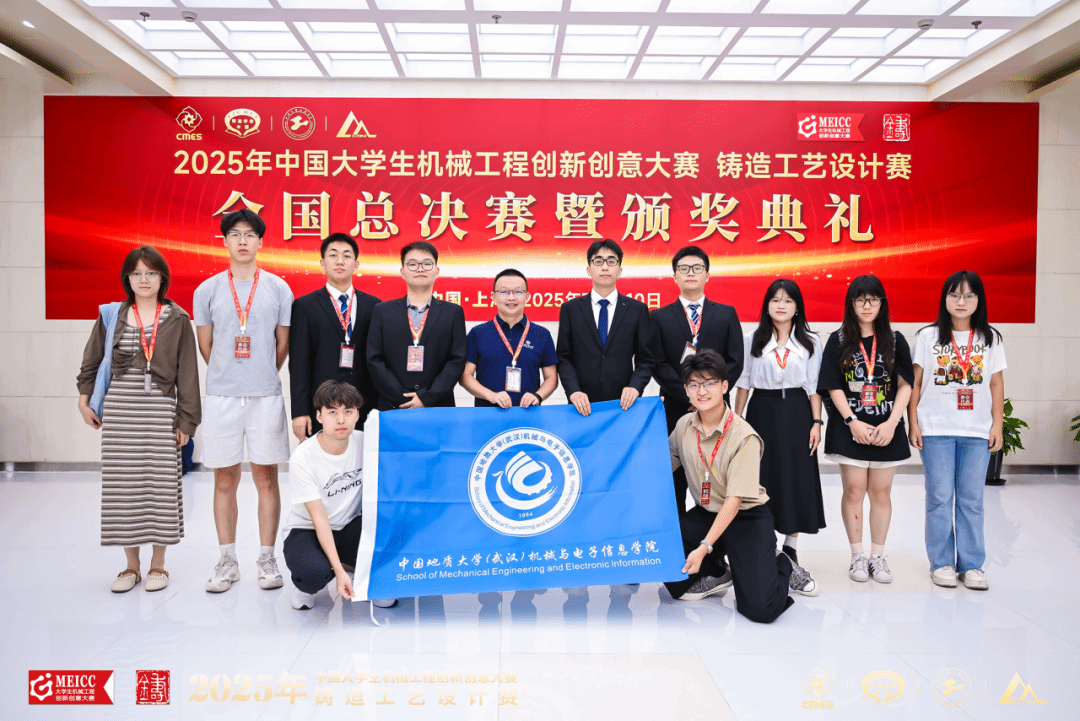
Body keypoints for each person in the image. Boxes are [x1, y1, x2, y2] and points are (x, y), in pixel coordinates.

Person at [77, 246, 201, 593]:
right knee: (124, 488)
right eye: (136, 274)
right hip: (120, 415)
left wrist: (186, 422)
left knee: (160, 487)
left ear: (162, 278)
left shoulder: (177, 318)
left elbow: (188, 374)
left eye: (151, 273)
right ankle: (130, 566)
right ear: (127, 279)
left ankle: (158, 565)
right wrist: (84, 401)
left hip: (160, 414)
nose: (144, 280)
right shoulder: (111, 315)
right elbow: (91, 362)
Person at [665, 350, 816, 623]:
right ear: (685, 390)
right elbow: (662, 467)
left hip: (746, 515)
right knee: (666, 558)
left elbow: (734, 502)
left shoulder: (744, 436)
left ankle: (782, 563)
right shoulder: (684, 425)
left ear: (725, 386)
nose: (702, 391)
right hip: (707, 512)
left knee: (761, 609)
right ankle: (718, 572)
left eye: (709, 383)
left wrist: (703, 547)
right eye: (694, 384)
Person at [193, 208, 293, 594]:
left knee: (267, 477)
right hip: (222, 397)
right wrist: (230, 374)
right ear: (225, 241)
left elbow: (281, 345)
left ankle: (267, 559)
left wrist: (259, 372)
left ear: (261, 241)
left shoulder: (279, 289)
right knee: (224, 480)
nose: (243, 241)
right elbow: (206, 345)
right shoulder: (207, 290)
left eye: (250, 234)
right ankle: (227, 560)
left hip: (265, 395)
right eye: (235, 234)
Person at [909, 271, 1006, 591]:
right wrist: (913, 422)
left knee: (972, 499)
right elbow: (915, 383)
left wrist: (997, 425)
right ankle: (941, 563)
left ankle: (972, 564)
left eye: (968, 295)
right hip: (935, 429)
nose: (961, 301)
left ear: (979, 300)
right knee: (939, 497)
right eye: (954, 295)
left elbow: (996, 383)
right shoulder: (927, 336)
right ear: (945, 299)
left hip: (976, 431)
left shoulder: (990, 338)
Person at [818, 275, 913, 585]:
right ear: (851, 304)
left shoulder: (895, 340)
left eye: (873, 299)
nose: (867, 305)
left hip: (888, 428)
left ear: (882, 303)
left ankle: (878, 556)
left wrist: (893, 422)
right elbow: (832, 384)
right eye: (860, 299)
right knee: (854, 490)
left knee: (881, 492)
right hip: (851, 429)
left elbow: (906, 384)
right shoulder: (838, 340)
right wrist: (851, 421)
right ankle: (857, 555)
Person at [733, 279, 825, 591]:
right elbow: (744, 381)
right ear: (767, 306)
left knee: (795, 476)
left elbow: (814, 385)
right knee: (764, 476)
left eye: (787, 300)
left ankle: (791, 546)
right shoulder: (752, 339)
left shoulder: (810, 341)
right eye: (775, 300)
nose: (781, 305)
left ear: (797, 307)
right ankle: (766, 542)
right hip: (763, 409)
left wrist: (816, 422)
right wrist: (737, 421)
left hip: (798, 412)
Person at [282, 381, 396, 610]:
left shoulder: (365, 442)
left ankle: (364, 578)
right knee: (313, 572)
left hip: (349, 525)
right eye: (332, 412)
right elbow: (319, 518)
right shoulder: (303, 457)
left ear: (358, 415)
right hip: (308, 529)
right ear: (319, 416)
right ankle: (315, 581)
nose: (341, 420)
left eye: (348, 412)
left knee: (392, 531)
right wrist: (339, 571)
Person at [289, 232, 381, 438]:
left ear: (356, 264)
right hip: (322, 406)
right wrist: (300, 412)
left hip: (365, 406)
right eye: (333, 255)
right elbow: (299, 364)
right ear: (322, 263)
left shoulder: (374, 305)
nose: (340, 261)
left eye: (347, 256)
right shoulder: (305, 306)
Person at [556, 239, 655, 417]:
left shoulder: (637, 309)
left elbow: (646, 359)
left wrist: (635, 387)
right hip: (581, 405)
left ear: (619, 270)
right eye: (598, 261)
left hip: (624, 405)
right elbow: (564, 358)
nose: (604, 267)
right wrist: (573, 391)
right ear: (589, 269)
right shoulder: (570, 309)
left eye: (611, 261)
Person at [651, 246, 744, 433]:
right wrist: (689, 394)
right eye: (684, 268)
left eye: (697, 268)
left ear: (707, 275)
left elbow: (736, 361)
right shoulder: (658, 317)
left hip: (716, 406)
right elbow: (657, 363)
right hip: (676, 406)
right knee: (676, 452)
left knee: (717, 452)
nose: (690, 273)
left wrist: (710, 393)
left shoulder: (726, 314)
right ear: (675, 276)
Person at [366, 241, 467, 410]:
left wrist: (427, 397)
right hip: (393, 405)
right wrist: (401, 397)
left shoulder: (453, 312)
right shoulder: (382, 311)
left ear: (436, 271)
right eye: (412, 264)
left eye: (427, 264)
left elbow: (456, 360)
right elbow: (374, 359)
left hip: (438, 406)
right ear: (402, 272)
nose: (420, 269)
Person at [461, 268, 558, 408]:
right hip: (487, 414)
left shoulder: (542, 334)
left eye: (518, 292)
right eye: (504, 292)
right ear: (493, 296)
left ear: (527, 296)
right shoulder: (478, 333)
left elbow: (552, 378)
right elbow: (465, 376)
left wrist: (538, 396)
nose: (511, 297)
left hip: (528, 414)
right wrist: (491, 395)